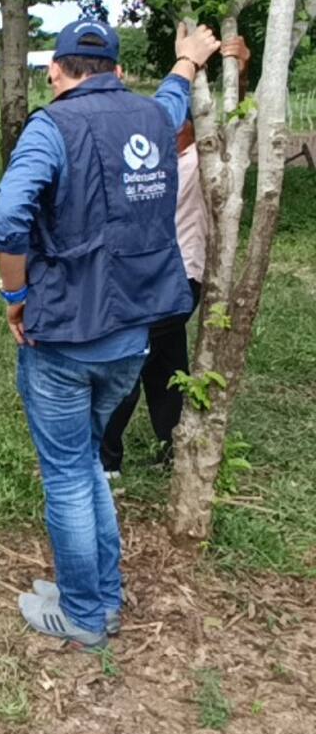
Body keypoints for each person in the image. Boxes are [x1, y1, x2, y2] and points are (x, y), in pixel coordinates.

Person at [0, 20, 221, 650]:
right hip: (131, 336)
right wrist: (186, 58)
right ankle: (98, 596)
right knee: (86, 463)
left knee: (67, 473)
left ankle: (86, 616)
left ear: (57, 73)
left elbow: (9, 217)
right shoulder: (153, 117)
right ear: (117, 71)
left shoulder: (51, 127)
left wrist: (16, 296)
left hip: (64, 337)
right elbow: (175, 95)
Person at [100, 118, 207, 475]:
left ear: (186, 130)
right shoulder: (173, 164)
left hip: (177, 275)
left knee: (130, 357)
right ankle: (174, 447)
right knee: (167, 365)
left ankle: (106, 457)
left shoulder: (198, 163)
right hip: (167, 276)